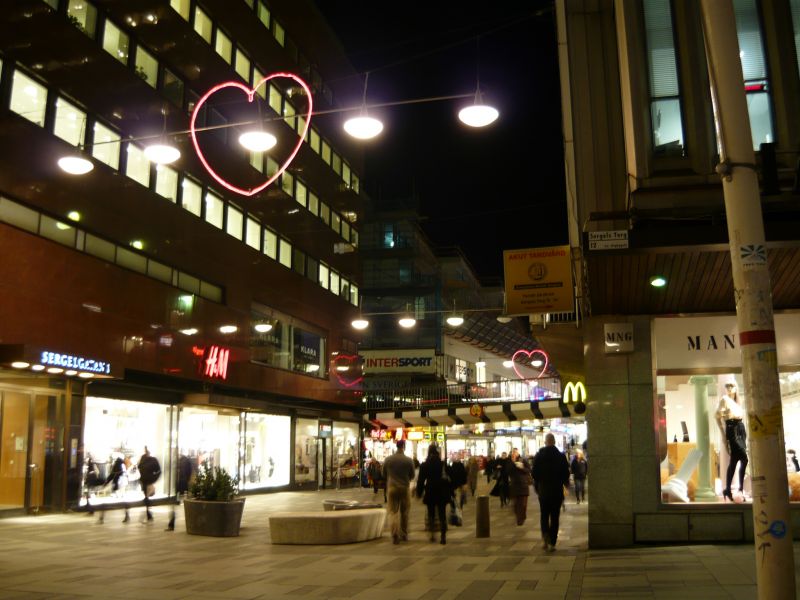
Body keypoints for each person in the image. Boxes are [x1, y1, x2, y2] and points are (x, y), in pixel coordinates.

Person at [532, 433, 571, 552]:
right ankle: (552, 542)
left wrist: (538, 484)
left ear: (545, 442)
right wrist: (564, 484)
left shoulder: (539, 456)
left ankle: (545, 536)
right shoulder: (560, 456)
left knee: (544, 515)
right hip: (556, 491)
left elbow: (534, 473)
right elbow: (566, 474)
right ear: (554, 442)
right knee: (555, 517)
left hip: (543, 491)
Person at [716, 382, 748, 501]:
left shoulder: (737, 402)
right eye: (727, 387)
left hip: (740, 428)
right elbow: (717, 416)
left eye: (732, 386)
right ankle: (739, 489)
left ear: (736, 388)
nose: (729, 388)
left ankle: (728, 489)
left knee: (734, 460)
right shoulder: (724, 399)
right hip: (732, 428)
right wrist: (723, 435)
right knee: (744, 458)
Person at [416, 443, 452, 545]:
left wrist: (419, 492)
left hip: (430, 491)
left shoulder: (425, 465)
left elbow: (421, 480)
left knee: (431, 513)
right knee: (442, 514)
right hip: (441, 491)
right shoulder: (442, 464)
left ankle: (432, 534)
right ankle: (443, 536)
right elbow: (449, 478)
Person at [382, 440, 416, 544]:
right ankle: (404, 534)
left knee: (393, 512)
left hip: (392, 488)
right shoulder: (409, 460)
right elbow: (412, 475)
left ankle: (394, 533)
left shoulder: (388, 459)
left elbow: (383, 474)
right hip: (404, 488)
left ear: (396, 446)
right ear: (404, 447)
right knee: (404, 512)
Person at [167, 453, 195, 531]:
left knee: (175, 504)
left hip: (179, 485)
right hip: (179, 485)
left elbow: (188, 472)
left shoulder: (183, 461)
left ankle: (171, 524)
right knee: (174, 503)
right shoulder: (182, 461)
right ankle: (171, 523)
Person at [505, 448, 532, 526]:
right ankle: (519, 517)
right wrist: (513, 463)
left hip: (523, 485)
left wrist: (522, 467)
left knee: (523, 504)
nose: (514, 454)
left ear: (518, 453)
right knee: (516, 504)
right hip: (514, 485)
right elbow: (507, 471)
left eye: (515, 452)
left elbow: (529, 470)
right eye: (513, 452)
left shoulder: (523, 460)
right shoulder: (509, 461)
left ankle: (522, 517)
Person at [137, 447, 161, 522]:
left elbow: (158, 470)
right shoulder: (148, 460)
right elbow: (158, 470)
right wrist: (153, 478)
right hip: (146, 480)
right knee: (147, 496)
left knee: (147, 496)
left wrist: (153, 478)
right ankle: (148, 513)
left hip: (146, 480)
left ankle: (148, 513)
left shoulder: (147, 460)